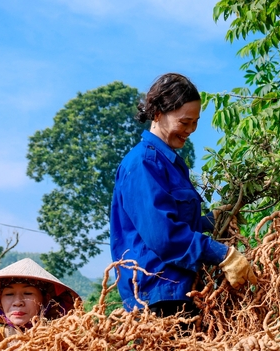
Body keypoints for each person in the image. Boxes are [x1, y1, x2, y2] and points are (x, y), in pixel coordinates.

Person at [110, 73, 257, 317]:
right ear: (157, 113)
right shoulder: (144, 164)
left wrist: (212, 219)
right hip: (156, 297)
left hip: (179, 293)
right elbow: (164, 236)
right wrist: (223, 255)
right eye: (184, 122)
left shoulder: (169, 163)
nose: (190, 130)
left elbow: (175, 222)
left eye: (195, 122)